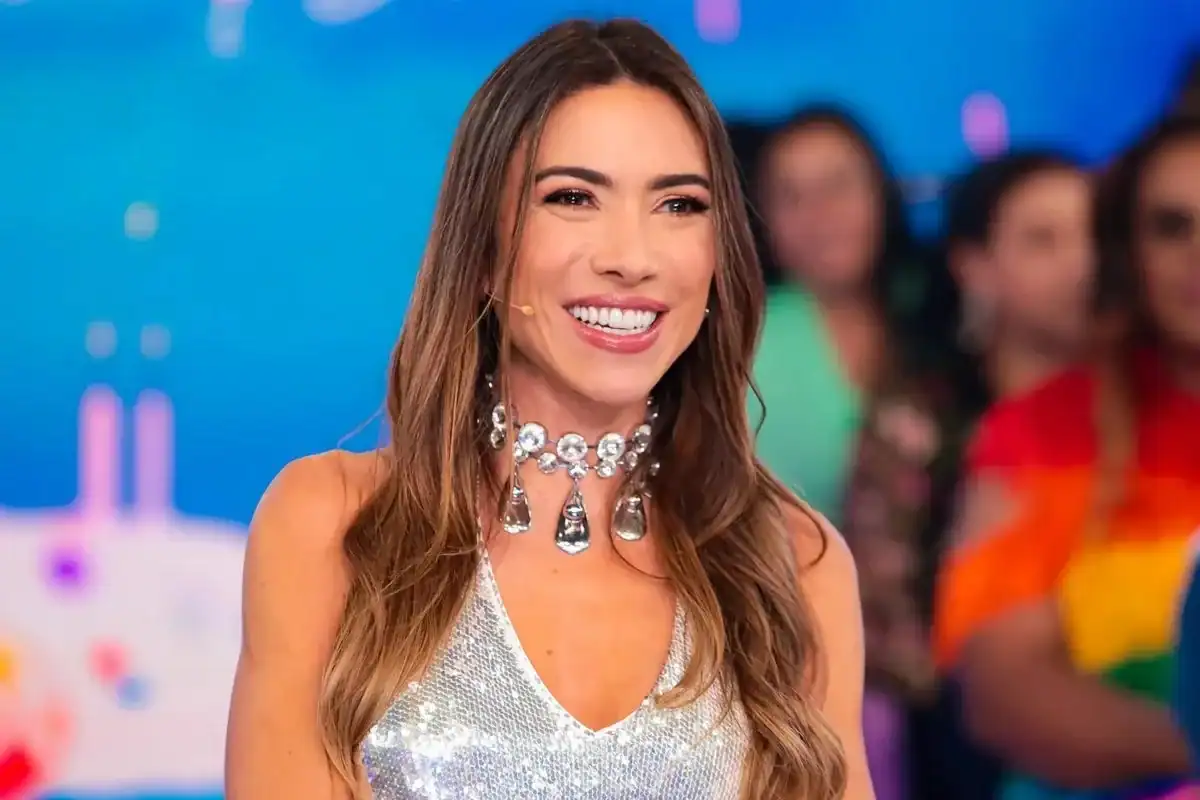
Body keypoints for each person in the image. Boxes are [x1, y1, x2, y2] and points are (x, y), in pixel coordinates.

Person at [224, 18, 872, 800]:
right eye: (572, 197)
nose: (631, 257)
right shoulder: (334, 525)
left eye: (678, 205)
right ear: (483, 246)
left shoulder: (793, 563)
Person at [934, 116, 1200, 799]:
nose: (1199, 251)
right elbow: (1000, 692)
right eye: (1172, 226)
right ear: (1126, 253)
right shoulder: (1039, 433)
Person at [842, 150, 1095, 800]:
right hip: (962, 747)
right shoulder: (922, 418)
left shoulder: (1144, 405)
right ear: (973, 266)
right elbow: (884, 628)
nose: (1083, 263)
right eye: (1043, 240)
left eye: (1096, 233)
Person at [741, 106, 922, 528]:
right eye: (791, 196)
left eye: (838, 185)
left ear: (882, 193)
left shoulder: (935, 325)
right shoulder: (743, 344)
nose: (820, 214)